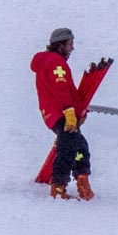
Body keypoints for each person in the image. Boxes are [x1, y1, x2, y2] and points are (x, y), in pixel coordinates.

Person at [31, 27, 94, 200]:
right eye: (70, 44)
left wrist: (79, 111)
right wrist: (70, 113)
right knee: (67, 149)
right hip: (61, 113)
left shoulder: (48, 61)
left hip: (55, 113)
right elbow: (61, 89)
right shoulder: (55, 62)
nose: (72, 48)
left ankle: (82, 182)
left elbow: (66, 90)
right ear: (61, 45)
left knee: (79, 146)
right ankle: (58, 188)